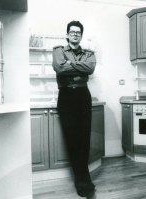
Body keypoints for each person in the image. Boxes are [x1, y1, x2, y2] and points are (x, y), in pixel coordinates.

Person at [52, 20, 96, 197]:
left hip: (83, 96)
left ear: (81, 35)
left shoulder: (89, 53)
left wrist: (70, 64)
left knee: (84, 139)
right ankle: (81, 179)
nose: (75, 34)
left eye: (78, 32)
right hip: (66, 97)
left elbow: (90, 68)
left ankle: (84, 178)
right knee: (72, 139)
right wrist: (78, 68)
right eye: (72, 32)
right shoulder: (59, 51)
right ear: (67, 34)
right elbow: (59, 68)